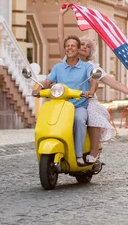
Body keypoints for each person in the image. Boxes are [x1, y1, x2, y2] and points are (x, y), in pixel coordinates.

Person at [58, 4, 128, 163]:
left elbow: (112, 82)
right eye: (82, 44)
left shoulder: (92, 67)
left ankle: (93, 150)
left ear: (91, 52)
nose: (84, 47)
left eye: (88, 46)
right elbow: (60, 38)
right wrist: (61, 16)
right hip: (65, 100)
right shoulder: (66, 61)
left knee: (91, 114)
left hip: (86, 100)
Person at [32, 35, 97, 166]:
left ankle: (79, 155)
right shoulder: (58, 67)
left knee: (79, 119)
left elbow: (93, 80)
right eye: (67, 46)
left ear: (78, 49)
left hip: (79, 106)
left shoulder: (86, 67)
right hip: (60, 106)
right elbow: (48, 81)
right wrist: (38, 88)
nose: (69, 48)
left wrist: (90, 91)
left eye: (73, 46)